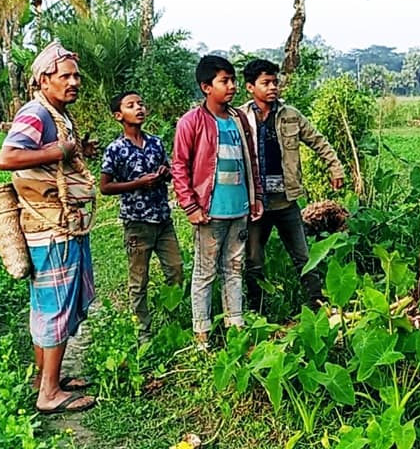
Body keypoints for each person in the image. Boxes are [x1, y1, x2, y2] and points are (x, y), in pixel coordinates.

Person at [0, 41, 97, 415]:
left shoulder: (56, 113)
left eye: (76, 76)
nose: (74, 82)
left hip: (62, 224)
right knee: (54, 307)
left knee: (51, 305)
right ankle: (50, 394)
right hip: (50, 227)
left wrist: (76, 148)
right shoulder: (36, 113)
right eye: (65, 76)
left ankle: (46, 378)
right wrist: (60, 152)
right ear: (44, 80)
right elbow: (7, 157)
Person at [239, 58, 344, 314]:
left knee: (304, 257)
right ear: (250, 87)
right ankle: (257, 309)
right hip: (256, 203)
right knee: (253, 259)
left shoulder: (291, 115)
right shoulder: (240, 118)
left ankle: (317, 306)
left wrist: (335, 168)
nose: (273, 87)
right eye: (266, 83)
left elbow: (318, 141)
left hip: (286, 201)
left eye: (275, 82)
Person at [172, 55, 263, 347]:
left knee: (234, 268)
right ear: (206, 87)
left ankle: (235, 327)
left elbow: (252, 161)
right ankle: (202, 336)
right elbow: (180, 166)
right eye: (224, 81)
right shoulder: (191, 122)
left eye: (232, 80)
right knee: (205, 272)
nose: (232, 86)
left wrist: (256, 196)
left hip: (239, 210)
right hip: (209, 212)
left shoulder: (239, 120)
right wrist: (190, 206)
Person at [100, 91, 184, 344]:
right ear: (118, 116)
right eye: (131, 105)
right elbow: (105, 187)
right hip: (136, 223)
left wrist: (164, 172)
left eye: (140, 104)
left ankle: (174, 321)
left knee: (176, 269)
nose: (139, 108)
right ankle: (143, 333)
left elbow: (170, 172)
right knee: (139, 280)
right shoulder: (115, 149)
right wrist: (137, 183)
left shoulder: (156, 143)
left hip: (163, 219)